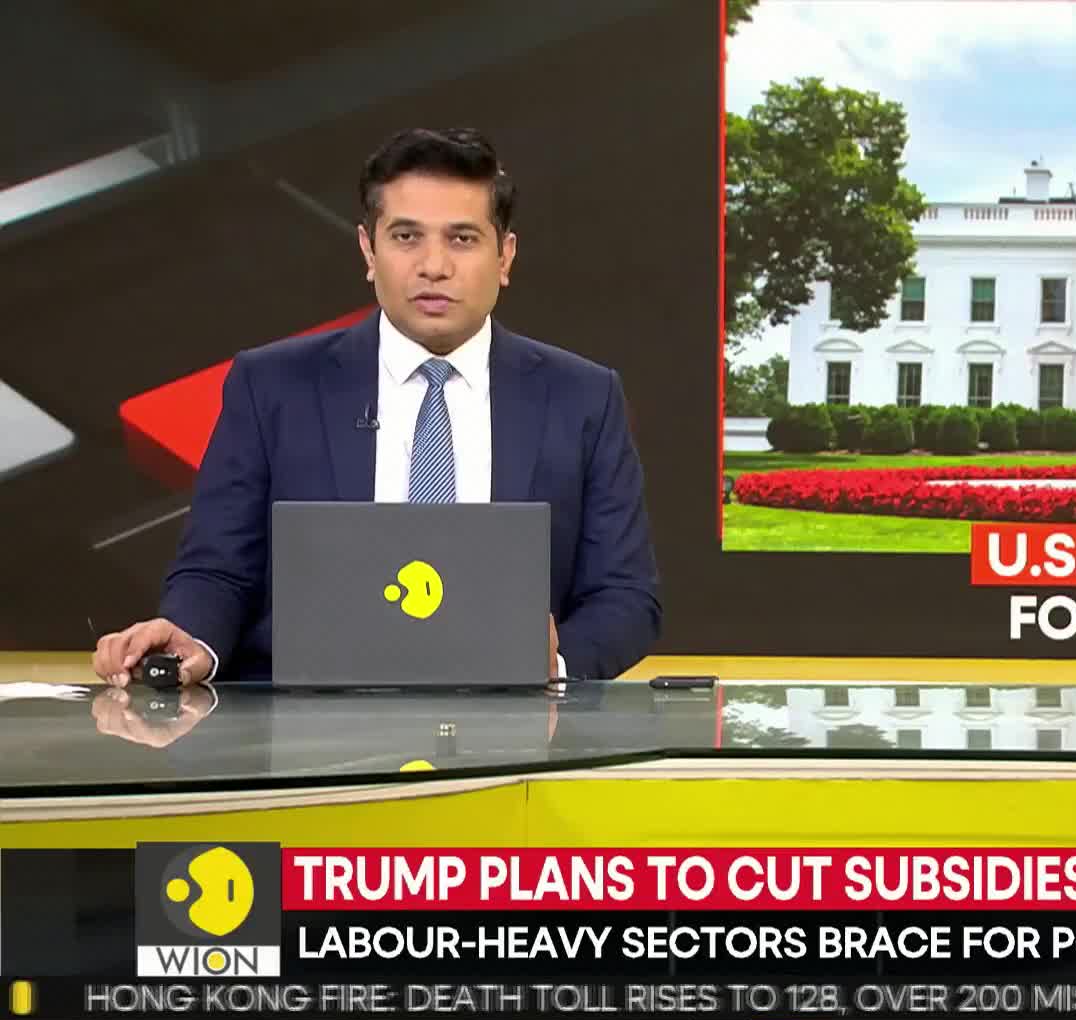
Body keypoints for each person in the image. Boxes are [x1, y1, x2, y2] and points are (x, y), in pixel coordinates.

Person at [92, 127, 661, 686]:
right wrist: (193, 638)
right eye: (406, 237)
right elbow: (217, 569)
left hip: (513, 722)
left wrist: (553, 664)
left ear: (505, 256)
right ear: (368, 249)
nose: (433, 266)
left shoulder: (583, 398)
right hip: (309, 727)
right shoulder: (272, 387)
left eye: (462, 239)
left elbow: (626, 596)